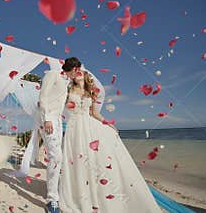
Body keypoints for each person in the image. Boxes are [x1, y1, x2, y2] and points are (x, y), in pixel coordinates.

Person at [58, 60, 162, 213]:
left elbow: (94, 113)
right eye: (71, 71)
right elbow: (60, 107)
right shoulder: (68, 89)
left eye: (73, 71)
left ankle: (94, 195)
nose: (72, 74)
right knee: (78, 161)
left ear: (78, 71)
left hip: (88, 128)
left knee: (93, 161)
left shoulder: (90, 91)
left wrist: (108, 124)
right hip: (74, 128)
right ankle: (79, 195)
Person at [38, 57, 76, 213]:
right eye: (77, 70)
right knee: (56, 157)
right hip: (48, 119)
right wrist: (47, 119)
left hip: (58, 121)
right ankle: (52, 200)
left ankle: (55, 192)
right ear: (74, 68)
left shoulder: (67, 82)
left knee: (58, 157)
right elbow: (43, 96)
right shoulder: (52, 74)